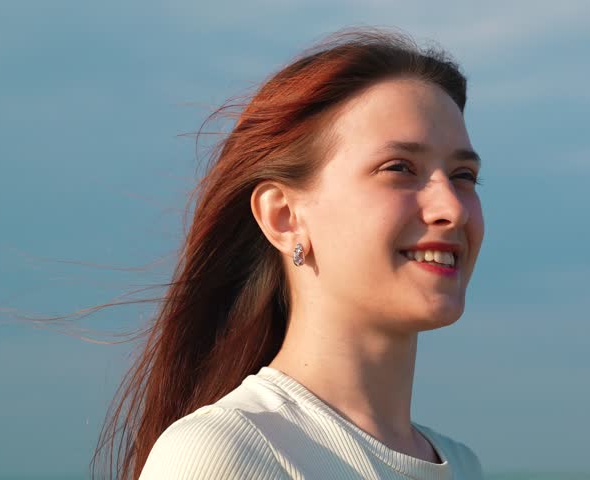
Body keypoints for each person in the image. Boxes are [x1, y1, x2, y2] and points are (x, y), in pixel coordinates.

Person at [95, 26, 485, 480]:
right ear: (283, 216)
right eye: (399, 168)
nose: (452, 209)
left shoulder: (461, 465)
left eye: (463, 176)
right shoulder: (226, 454)